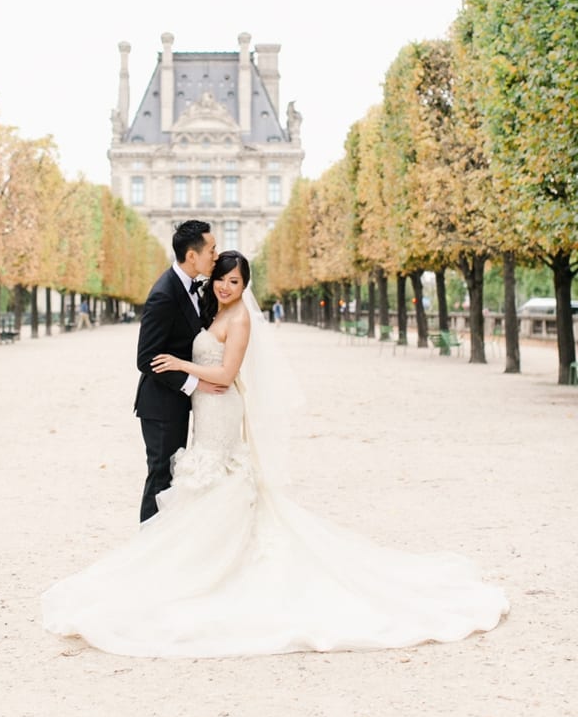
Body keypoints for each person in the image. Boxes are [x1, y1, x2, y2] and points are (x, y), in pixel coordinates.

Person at [41, 250, 508, 657]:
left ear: (245, 287)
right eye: (221, 277)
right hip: (203, 410)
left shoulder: (239, 318)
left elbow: (224, 375)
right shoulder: (208, 306)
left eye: (235, 281)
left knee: (219, 482)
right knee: (198, 484)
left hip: (220, 408)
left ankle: (206, 570)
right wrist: (188, 372)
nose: (226, 286)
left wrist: (182, 364)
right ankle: (184, 566)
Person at [133, 219, 221, 524]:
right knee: (160, 476)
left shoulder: (192, 288)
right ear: (192, 255)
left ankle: (164, 544)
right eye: (212, 249)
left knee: (173, 476)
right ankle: (147, 547)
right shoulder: (164, 293)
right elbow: (146, 358)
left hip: (175, 402)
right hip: (160, 405)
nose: (216, 255)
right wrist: (194, 383)